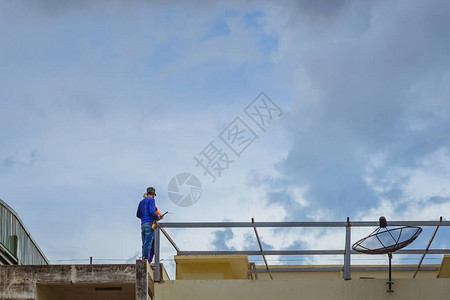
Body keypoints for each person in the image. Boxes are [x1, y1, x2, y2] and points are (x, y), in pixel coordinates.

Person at [136, 187, 162, 262]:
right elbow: (152, 211)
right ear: (153, 194)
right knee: (148, 244)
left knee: (144, 243)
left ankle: (144, 258)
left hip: (143, 224)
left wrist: (144, 218)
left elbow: (138, 214)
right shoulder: (151, 200)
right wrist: (157, 217)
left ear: (147, 193)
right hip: (149, 224)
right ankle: (146, 261)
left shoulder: (141, 202)